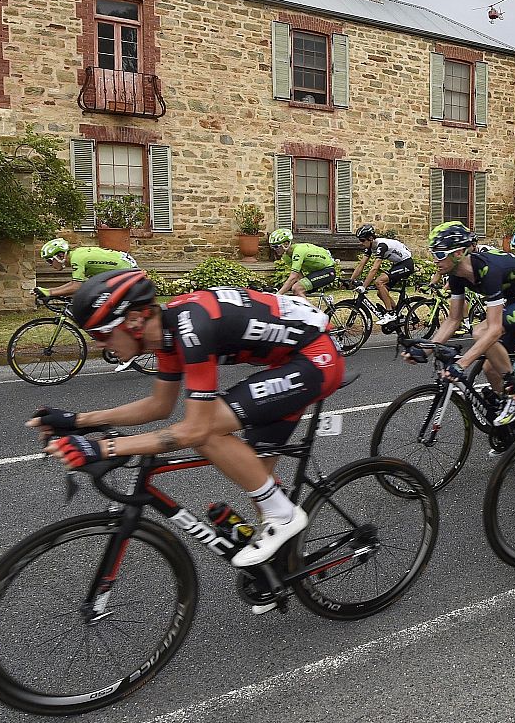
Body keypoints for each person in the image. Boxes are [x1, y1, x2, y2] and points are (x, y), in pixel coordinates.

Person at [28, 268, 344, 589]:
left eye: (101, 335)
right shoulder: (166, 334)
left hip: (315, 356)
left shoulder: (191, 328)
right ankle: (283, 569)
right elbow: (158, 406)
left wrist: (102, 448)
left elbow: (195, 430)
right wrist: (77, 421)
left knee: (207, 433)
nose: (101, 347)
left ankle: (285, 518)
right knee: (256, 478)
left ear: (134, 321)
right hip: (288, 358)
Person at [421, 221, 515, 425]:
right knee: (490, 369)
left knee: (480, 331)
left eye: (439, 254)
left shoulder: (488, 271)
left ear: (458, 253)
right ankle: (511, 422)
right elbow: (453, 319)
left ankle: (514, 391)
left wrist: (462, 363)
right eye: (433, 253)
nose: (434, 260)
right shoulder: (456, 275)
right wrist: (425, 349)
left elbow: (492, 330)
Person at [346, 225, 416, 329]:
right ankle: (397, 313)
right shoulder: (370, 247)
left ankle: (390, 313)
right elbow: (361, 265)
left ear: (370, 238)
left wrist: (364, 286)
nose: (361, 243)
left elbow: (374, 269)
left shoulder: (381, 245)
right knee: (381, 293)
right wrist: (351, 280)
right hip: (397, 264)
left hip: (406, 264)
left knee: (379, 282)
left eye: (362, 240)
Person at [38, 238, 138, 298]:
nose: (50, 265)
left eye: (50, 261)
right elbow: (75, 283)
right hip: (123, 267)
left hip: (125, 270)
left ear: (59, 256)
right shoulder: (76, 254)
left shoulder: (77, 258)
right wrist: (49, 291)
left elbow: (76, 287)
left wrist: (50, 292)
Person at [269, 229, 338, 298]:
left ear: (286, 244)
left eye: (276, 247)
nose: (275, 250)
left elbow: (293, 277)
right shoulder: (286, 257)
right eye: (272, 247)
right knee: (297, 289)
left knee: (296, 288)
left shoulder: (298, 251)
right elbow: (298, 275)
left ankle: (310, 309)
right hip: (317, 272)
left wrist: (278, 294)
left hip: (328, 271)